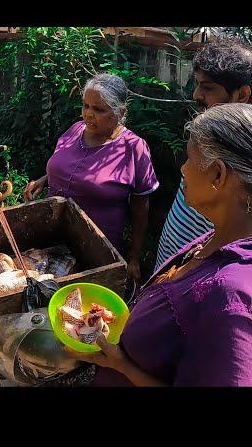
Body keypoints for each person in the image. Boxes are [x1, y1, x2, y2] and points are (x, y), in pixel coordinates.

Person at [69, 103, 252, 386]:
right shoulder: (219, 237)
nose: (183, 168)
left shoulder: (230, 298)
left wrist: (126, 369)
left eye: (189, 159)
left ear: (218, 174)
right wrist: (121, 362)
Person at [24, 73, 159, 284]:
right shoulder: (76, 130)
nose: (88, 114)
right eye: (86, 106)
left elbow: (141, 209)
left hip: (95, 248)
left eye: (99, 109)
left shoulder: (133, 148)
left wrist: (133, 258)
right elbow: (65, 164)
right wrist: (44, 179)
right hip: (51, 236)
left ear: (120, 112)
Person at [155, 38, 252, 271]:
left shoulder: (244, 147)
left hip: (204, 274)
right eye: (197, 84)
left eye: (207, 88)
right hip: (176, 256)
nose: (196, 94)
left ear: (241, 94)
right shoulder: (208, 129)